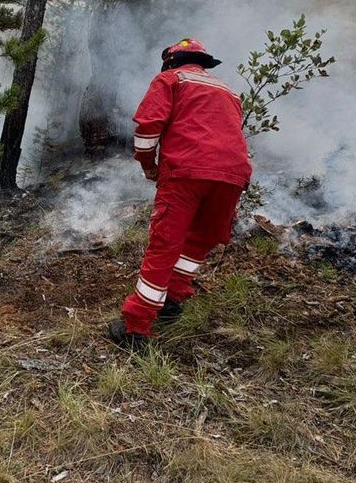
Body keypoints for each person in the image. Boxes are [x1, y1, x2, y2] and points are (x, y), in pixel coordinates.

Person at [108, 39, 252, 350]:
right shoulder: (228, 90)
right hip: (232, 176)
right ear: (203, 62)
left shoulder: (170, 80)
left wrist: (149, 166)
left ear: (171, 61)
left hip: (187, 172)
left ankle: (136, 327)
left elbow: (147, 129)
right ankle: (172, 301)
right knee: (198, 242)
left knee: (165, 245)